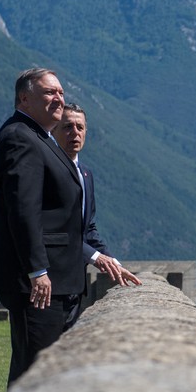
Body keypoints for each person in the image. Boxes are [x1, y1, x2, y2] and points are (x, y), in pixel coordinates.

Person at [0, 68, 85, 387]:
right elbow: (22, 209)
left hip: (56, 280)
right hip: (39, 284)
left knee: (38, 369)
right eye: (50, 92)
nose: (59, 98)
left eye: (61, 92)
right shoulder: (20, 137)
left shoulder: (39, 137)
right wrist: (37, 270)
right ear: (25, 99)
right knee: (34, 374)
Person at [52, 103, 142, 289]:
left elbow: (88, 229)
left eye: (80, 127)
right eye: (67, 127)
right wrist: (95, 257)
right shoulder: (46, 170)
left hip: (75, 281)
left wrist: (114, 264)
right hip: (48, 279)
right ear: (53, 131)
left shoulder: (85, 174)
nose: (75, 133)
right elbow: (52, 229)